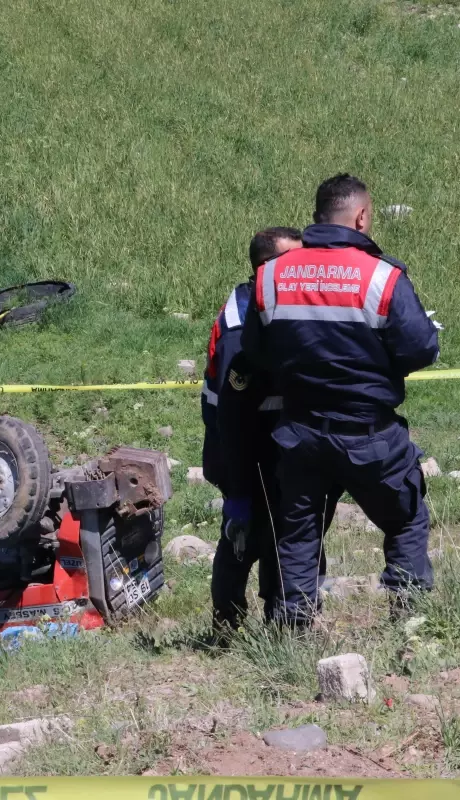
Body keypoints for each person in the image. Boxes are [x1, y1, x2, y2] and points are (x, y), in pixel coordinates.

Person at [240, 174, 440, 625]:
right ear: (362, 216)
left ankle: (293, 629)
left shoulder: (271, 275)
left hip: (300, 432)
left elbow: (255, 351)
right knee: (406, 520)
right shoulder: (382, 276)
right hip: (371, 435)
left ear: (317, 216)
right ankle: (408, 621)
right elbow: (421, 348)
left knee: (299, 535)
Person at [203, 227, 336, 634]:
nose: (305, 271)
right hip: (244, 447)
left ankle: (286, 619)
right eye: (294, 263)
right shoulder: (242, 328)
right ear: (265, 270)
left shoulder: (281, 306)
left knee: (294, 532)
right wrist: (240, 492)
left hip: (281, 441)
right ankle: (229, 622)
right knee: (247, 537)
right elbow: (232, 418)